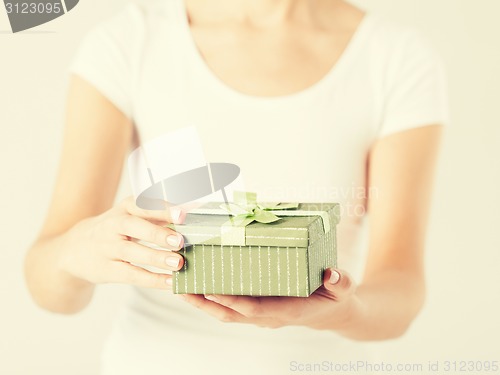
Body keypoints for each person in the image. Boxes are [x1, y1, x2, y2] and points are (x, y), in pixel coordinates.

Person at [24, 0, 449, 373]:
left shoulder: (394, 58)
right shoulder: (128, 42)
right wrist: (77, 250)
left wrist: (339, 311)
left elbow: (400, 291)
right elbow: (51, 290)